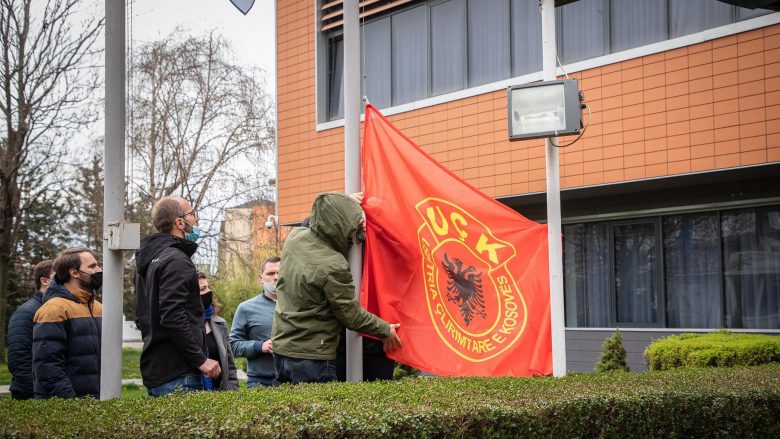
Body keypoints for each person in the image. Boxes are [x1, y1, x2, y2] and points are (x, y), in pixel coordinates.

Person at [272, 192, 402, 384]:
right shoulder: (333, 264)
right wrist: (385, 329)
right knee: (319, 413)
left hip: (283, 349)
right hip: (311, 358)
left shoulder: (295, 238)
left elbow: (314, 221)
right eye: (352, 227)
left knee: (293, 412)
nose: (354, 233)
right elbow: (351, 315)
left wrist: (341, 203)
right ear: (340, 226)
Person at [134, 196, 220, 397]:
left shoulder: (146, 263)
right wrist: (200, 359)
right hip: (179, 374)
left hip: (157, 370)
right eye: (192, 214)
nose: (197, 220)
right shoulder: (177, 260)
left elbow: (141, 318)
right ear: (179, 223)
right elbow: (172, 316)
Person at [32, 248, 103, 399]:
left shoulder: (98, 307)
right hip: (69, 409)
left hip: (95, 404)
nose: (99, 270)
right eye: (92, 266)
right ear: (74, 272)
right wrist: (72, 404)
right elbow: (48, 366)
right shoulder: (54, 309)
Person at [229, 256, 280, 388]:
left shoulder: (298, 306)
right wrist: (259, 346)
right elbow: (233, 345)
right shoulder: (246, 308)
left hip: (295, 381)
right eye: (270, 273)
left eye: (280, 273)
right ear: (260, 278)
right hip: (260, 382)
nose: (276, 277)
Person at [7, 260, 54, 400]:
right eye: (58, 277)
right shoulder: (26, 313)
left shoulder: (56, 310)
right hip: (32, 396)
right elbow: (19, 360)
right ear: (45, 281)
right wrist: (37, 395)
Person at [197, 273, 238, 391]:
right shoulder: (184, 326)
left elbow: (230, 367)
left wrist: (233, 394)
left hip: (219, 394)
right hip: (194, 395)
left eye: (208, 287)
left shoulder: (220, 323)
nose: (209, 292)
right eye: (203, 289)